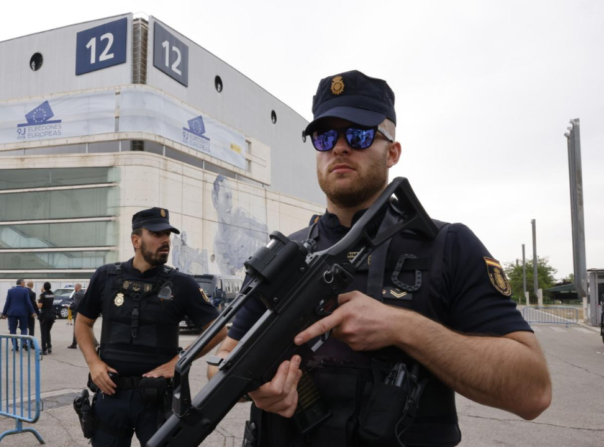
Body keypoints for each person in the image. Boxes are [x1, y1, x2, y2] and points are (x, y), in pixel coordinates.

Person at [208, 70, 552, 447]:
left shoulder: (446, 245)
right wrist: (253, 388)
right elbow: (223, 357)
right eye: (325, 137)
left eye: (358, 134)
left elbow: (532, 391)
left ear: (392, 152)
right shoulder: (285, 256)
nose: (340, 147)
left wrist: (404, 328)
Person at [75, 207, 228, 447]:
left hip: (159, 400)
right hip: (111, 394)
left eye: (167, 234)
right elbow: (83, 322)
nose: (165, 240)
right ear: (136, 240)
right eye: (156, 234)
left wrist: (180, 360)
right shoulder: (106, 277)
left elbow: (218, 329)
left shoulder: (182, 284)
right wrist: (93, 363)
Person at [1, 278, 37, 351]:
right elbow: (28, 302)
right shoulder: (25, 291)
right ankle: (24, 342)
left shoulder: (10, 291)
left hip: (12, 313)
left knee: (12, 330)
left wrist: (4, 313)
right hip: (23, 313)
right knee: (24, 328)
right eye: (24, 283)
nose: (25, 285)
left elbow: (7, 302)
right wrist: (32, 312)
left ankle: (15, 346)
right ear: (22, 283)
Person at [37, 282, 56, 355]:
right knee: (48, 331)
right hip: (51, 315)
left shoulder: (42, 295)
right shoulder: (52, 294)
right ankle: (49, 347)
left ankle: (43, 349)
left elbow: (40, 306)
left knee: (43, 332)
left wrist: (38, 300)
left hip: (44, 315)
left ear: (44, 287)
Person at [68, 283, 86, 349]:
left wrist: (70, 307)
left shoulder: (77, 294)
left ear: (76, 287)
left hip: (77, 313)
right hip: (83, 313)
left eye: (75, 287)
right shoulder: (84, 293)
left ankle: (74, 344)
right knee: (83, 328)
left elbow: (75, 304)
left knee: (76, 329)